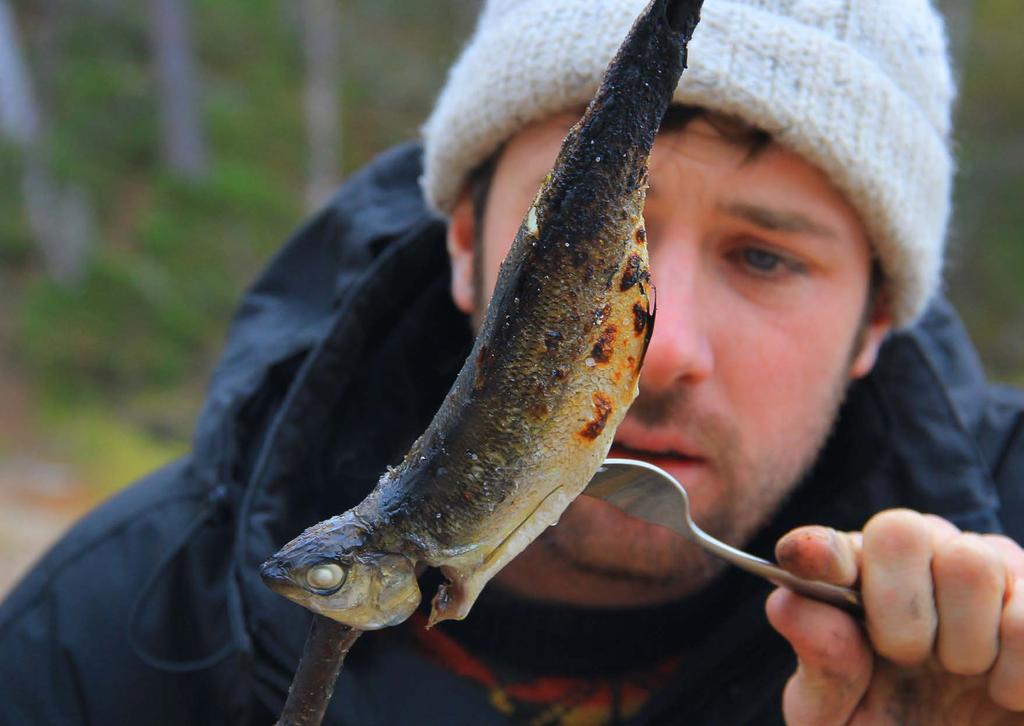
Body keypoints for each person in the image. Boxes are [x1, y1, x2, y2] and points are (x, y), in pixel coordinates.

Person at [1, 0, 1022, 723]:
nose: (658, 350)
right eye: (567, 258)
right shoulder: (99, 639)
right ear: (461, 241)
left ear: (877, 321)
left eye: (764, 257)